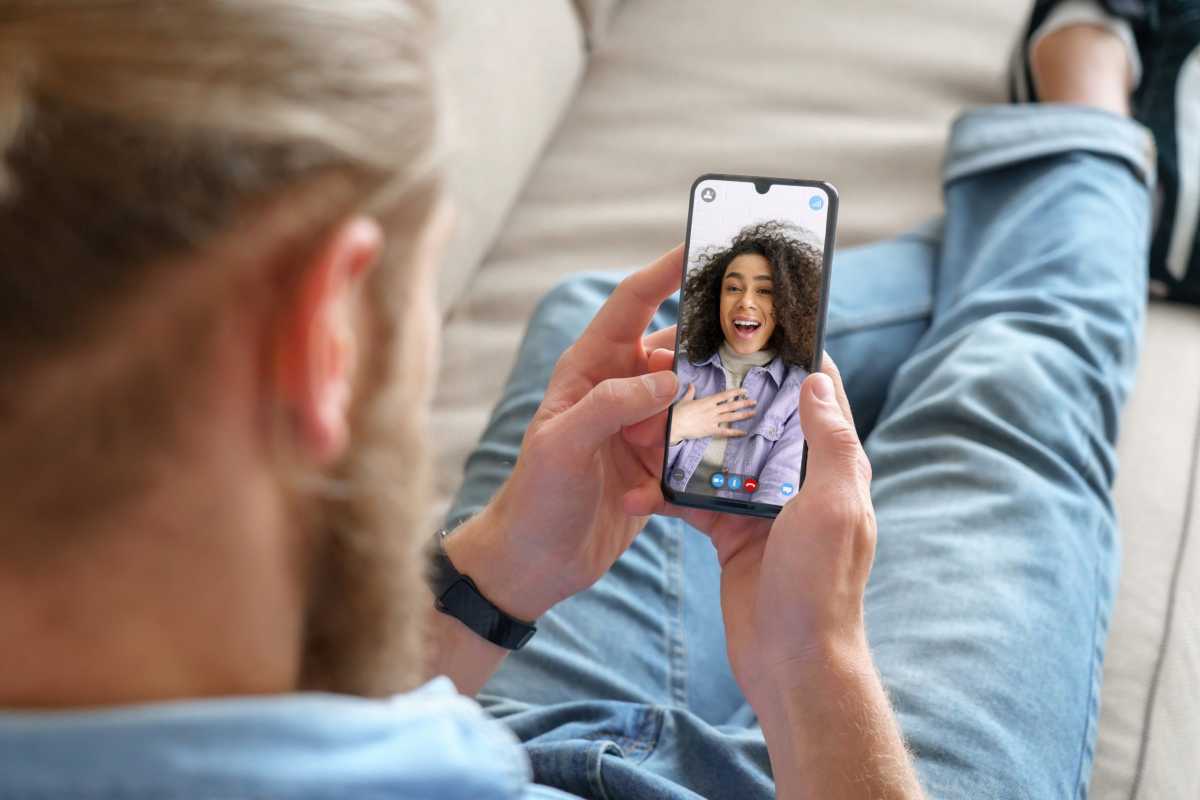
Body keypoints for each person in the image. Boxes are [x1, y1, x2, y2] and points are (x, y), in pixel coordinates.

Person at [0, 1, 1196, 799]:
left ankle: (1039, 197)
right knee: (1008, 391)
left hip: (485, 701)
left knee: (626, 326)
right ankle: (1083, 108)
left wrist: (491, 579)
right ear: (320, 340)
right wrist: (815, 666)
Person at [665, 221, 822, 505]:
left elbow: (779, 488)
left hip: (747, 533)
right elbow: (639, 473)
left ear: (788, 304)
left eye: (765, 291)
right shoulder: (678, 370)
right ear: (717, 299)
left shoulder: (799, 391)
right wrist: (675, 427)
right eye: (734, 288)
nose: (746, 302)